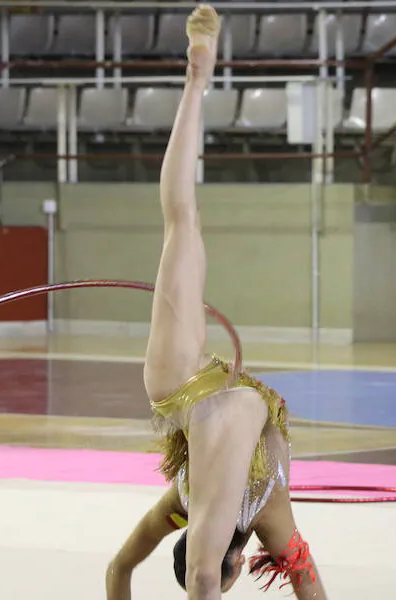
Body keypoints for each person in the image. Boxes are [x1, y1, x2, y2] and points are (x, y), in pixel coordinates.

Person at [104, 5, 327, 600]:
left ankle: (199, 76)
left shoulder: (252, 523)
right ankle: (196, 81)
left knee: (184, 223)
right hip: (182, 387)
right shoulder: (184, 509)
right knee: (182, 223)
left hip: (216, 404)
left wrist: (207, 578)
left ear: (240, 565)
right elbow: (118, 570)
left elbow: (214, 577)